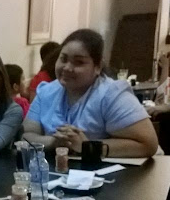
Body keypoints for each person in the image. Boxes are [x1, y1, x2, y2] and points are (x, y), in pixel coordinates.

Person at [23, 29, 158, 158]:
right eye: (63, 59)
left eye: (79, 62)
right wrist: (54, 142)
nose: (67, 68)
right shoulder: (46, 92)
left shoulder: (112, 94)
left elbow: (148, 144)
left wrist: (88, 146)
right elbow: (26, 136)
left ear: (97, 67)